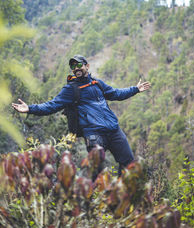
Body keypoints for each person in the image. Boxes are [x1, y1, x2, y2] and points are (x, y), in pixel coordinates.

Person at [12, 55, 151, 176]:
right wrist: (29, 108)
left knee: (129, 165)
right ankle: (90, 202)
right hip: (94, 134)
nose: (76, 68)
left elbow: (116, 94)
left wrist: (135, 89)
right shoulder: (70, 89)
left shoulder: (98, 84)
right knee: (95, 172)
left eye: (79, 64)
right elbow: (52, 105)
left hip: (114, 131)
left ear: (87, 66)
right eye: (73, 66)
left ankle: (120, 198)